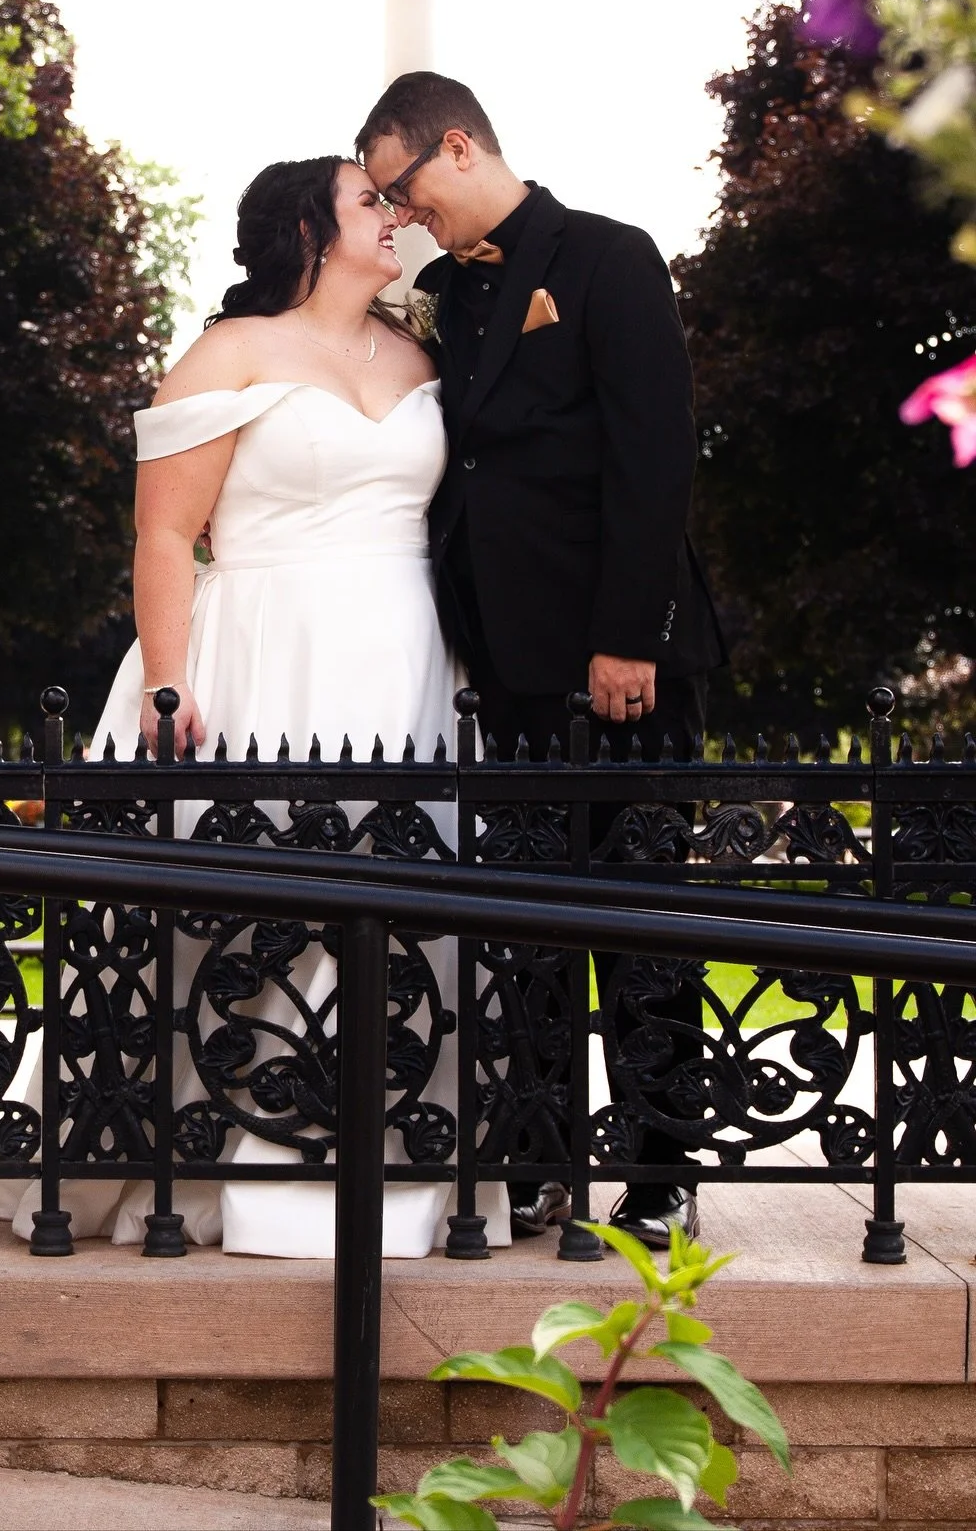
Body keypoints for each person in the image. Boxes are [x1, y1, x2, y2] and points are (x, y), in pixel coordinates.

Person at [0, 154, 510, 1257]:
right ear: (308, 230)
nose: (396, 212)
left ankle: (398, 1168)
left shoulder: (422, 349)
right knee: (239, 915)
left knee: (410, 909)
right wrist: (172, 679)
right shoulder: (228, 352)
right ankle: (214, 1165)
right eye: (370, 200)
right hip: (267, 649)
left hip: (408, 660)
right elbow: (166, 534)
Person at [357, 72, 726, 1248]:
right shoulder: (441, 296)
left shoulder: (610, 258)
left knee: (642, 915)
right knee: (528, 926)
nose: (402, 216)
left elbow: (657, 452)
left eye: (402, 189)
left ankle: (662, 1168)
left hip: (622, 655)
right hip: (505, 663)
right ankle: (543, 1151)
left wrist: (629, 634)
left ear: (457, 147)